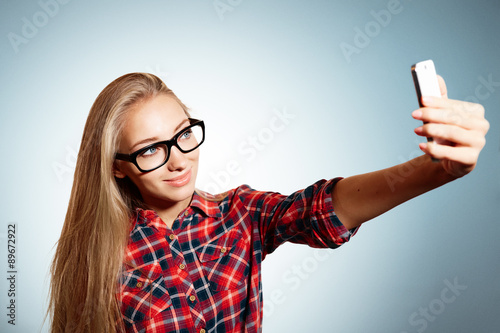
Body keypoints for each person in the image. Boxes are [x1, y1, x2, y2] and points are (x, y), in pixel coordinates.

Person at [48, 72, 489, 333]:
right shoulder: (95, 255)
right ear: (117, 166)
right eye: (150, 149)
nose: (179, 159)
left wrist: (435, 170)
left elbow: (319, 209)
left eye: (183, 134)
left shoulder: (238, 215)